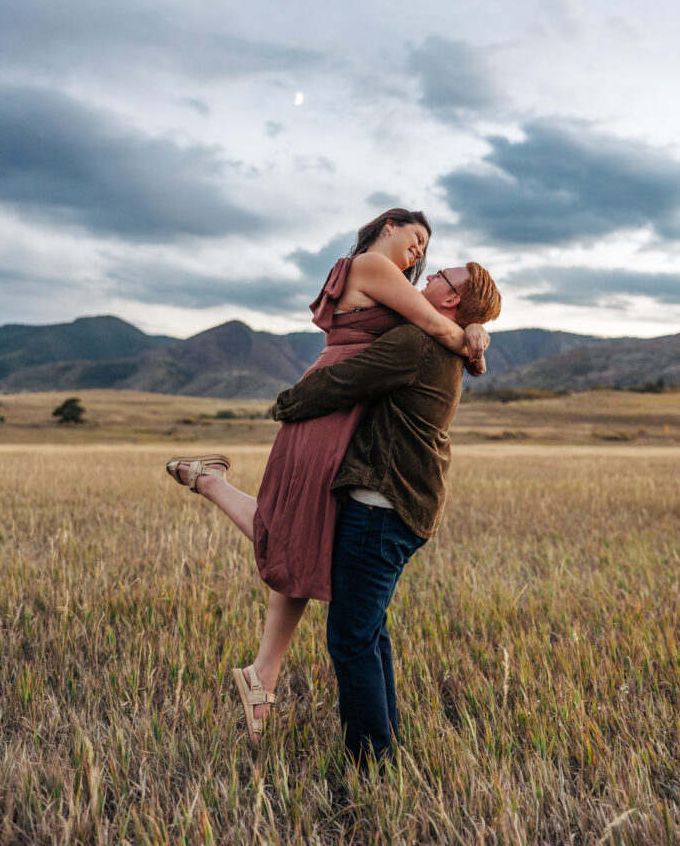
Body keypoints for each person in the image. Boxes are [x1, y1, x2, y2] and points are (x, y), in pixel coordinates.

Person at [166, 209, 489, 743]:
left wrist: (475, 329)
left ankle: (265, 672)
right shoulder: (372, 266)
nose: (422, 259)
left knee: (303, 533)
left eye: (430, 257)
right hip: (334, 400)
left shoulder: (415, 319)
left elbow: (435, 327)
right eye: (416, 240)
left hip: (351, 411)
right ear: (389, 226)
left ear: (454, 295)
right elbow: (435, 325)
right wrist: (474, 338)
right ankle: (269, 675)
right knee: (298, 530)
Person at [271, 262, 501, 764]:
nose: (430, 274)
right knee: (369, 630)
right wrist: (473, 329)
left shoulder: (417, 345)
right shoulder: (441, 342)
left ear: (451, 301)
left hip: (381, 505)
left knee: (351, 638)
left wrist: (285, 405)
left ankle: (371, 762)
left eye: (443, 275)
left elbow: (343, 382)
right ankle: (385, 743)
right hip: (404, 506)